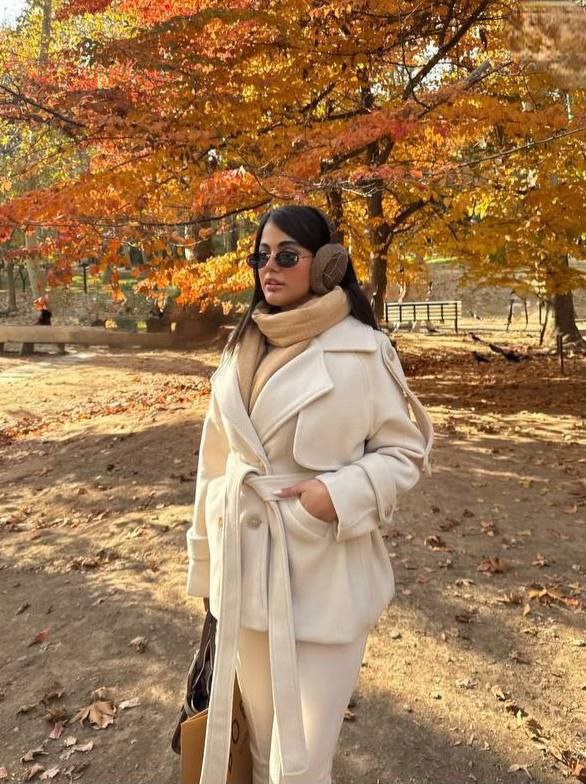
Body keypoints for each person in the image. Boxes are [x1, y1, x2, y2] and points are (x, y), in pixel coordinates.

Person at [185, 204, 434, 784]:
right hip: (244, 573)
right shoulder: (240, 347)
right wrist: (207, 565)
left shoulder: (364, 350)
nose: (269, 267)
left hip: (324, 575)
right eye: (261, 256)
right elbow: (214, 461)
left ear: (326, 265)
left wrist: (338, 494)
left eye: (287, 255)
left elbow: (405, 452)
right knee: (262, 744)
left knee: (300, 763)